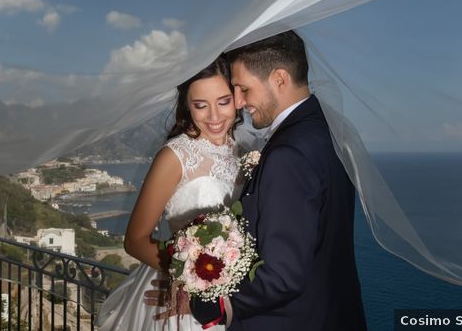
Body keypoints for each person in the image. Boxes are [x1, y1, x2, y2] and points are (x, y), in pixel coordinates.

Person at [186, 30, 367, 330]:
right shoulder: (326, 130)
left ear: (279, 79)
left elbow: (282, 277)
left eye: (243, 89)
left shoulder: (289, 154)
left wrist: (214, 304)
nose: (240, 102)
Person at [97, 56, 243, 330]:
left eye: (223, 101)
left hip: (228, 300)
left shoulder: (244, 151)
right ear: (187, 106)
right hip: (182, 299)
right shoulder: (174, 156)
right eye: (201, 105)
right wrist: (188, 279)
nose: (214, 116)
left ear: (237, 97)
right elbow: (135, 241)